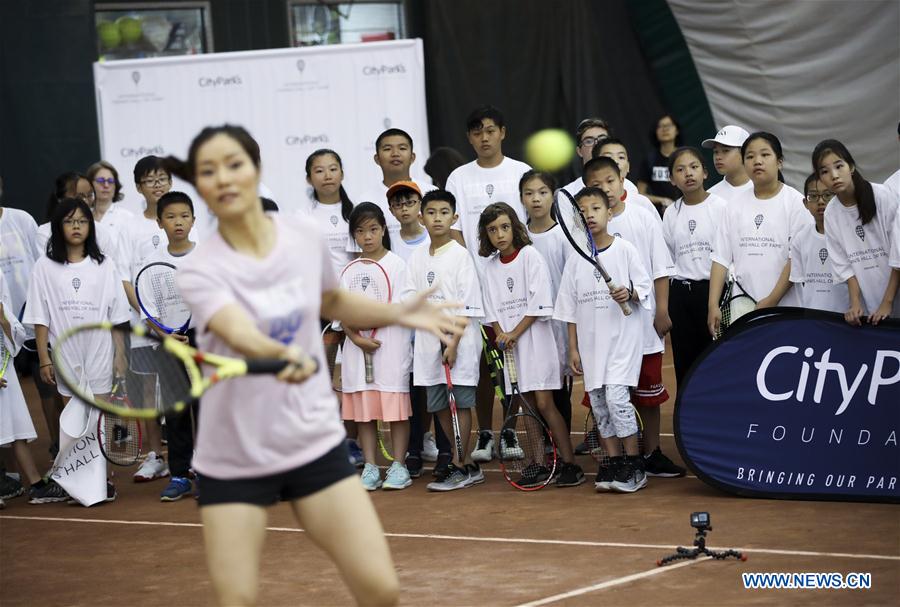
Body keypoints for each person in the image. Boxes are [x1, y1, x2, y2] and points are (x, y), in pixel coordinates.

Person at [167, 124, 462, 606]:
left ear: (255, 171)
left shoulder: (301, 237)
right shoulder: (201, 268)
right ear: (200, 185)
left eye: (234, 164)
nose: (223, 178)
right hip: (236, 454)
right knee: (236, 598)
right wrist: (278, 353)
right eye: (208, 171)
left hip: (310, 441)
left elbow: (329, 299)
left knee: (380, 587)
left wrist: (398, 312)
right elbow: (236, 327)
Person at [23, 197, 131, 504]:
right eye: (69, 222)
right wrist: (44, 358)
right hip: (64, 354)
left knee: (98, 419)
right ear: (58, 227)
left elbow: (118, 316)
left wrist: (120, 356)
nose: (76, 227)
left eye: (82, 222)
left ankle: (101, 481)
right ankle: (78, 480)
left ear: (90, 227)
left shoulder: (104, 265)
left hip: (99, 352)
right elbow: (39, 316)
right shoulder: (44, 267)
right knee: (74, 419)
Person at [587, 156, 684, 478]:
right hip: (604, 333)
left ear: (622, 180)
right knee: (610, 397)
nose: (606, 189)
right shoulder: (584, 229)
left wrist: (662, 311)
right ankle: (618, 459)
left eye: (610, 181)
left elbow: (660, 268)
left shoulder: (643, 216)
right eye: (597, 184)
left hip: (643, 326)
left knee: (648, 394)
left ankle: (652, 452)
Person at [445, 105, 530, 463]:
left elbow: (527, 227)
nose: (484, 137)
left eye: (490, 130)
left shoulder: (521, 172)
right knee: (479, 367)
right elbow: (454, 232)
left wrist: (507, 269)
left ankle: (510, 430)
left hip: (512, 285)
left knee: (511, 363)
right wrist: (475, 271)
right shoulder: (458, 178)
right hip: (472, 289)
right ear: (469, 138)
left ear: (503, 132)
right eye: (477, 131)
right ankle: (484, 433)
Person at [478, 202, 584, 487]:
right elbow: (491, 310)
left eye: (504, 227)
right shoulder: (489, 268)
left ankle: (571, 464)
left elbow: (539, 304)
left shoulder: (530, 256)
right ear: (485, 235)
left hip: (536, 342)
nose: (499, 234)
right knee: (527, 408)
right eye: (492, 230)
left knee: (544, 403)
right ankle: (538, 463)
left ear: (514, 227)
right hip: (511, 348)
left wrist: (513, 333)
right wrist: (502, 334)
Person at [554, 188, 652, 493]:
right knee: (599, 405)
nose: (590, 215)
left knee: (617, 400)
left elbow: (644, 287)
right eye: (582, 211)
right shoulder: (575, 259)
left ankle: (634, 465)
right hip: (591, 345)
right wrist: (573, 348)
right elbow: (569, 308)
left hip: (623, 341)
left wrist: (629, 292)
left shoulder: (626, 251)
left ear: (610, 213)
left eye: (596, 208)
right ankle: (612, 463)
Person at [402, 190, 485, 492]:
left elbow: (468, 305)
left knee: (460, 404)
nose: (438, 218)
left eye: (444, 212)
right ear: (421, 218)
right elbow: (409, 297)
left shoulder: (461, 256)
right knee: (437, 405)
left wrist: (452, 343)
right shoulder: (416, 257)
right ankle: (463, 462)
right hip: (427, 343)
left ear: (455, 217)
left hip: (457, 342)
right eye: (432, 212)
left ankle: (461, 466)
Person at [708, 132, 814, 337]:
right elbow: (720, 259)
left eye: (765, 155)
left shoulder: (796, 203)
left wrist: (772, 300)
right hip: (742, 311)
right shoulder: (733, 207)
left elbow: (796, 259)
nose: (757, 161)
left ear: (779, 162)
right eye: (750, 156)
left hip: (786, 309)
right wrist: (713, 305)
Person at [341, 202, 413, 491]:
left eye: (373, 229)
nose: (367, 236)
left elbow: (401, 309)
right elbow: (341, 313)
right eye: (360, 231)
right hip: (357, 351)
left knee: (395, 411)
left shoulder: (397, 265)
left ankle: (399, 466)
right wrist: (356, 337)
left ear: (383, 229)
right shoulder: (349, 269)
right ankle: (371, 467)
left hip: (390, 350)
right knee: (364, 414)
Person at [118, 156, 177, 482]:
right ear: (139, 187)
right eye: (150, 180)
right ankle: (156, 455)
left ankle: (189, 453)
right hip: (145, 325)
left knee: (179, 388)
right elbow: (125, 277)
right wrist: (148, 315)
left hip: (179, 327)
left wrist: (176, 320)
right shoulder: (129, 226)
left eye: (162, 179)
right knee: (146, 390)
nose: (157, 185)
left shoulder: (180, 217)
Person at [385, 181, 449, 478]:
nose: (404, 208)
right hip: (402, 332)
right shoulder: (389, 243)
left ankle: (444, 449)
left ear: (420, 209)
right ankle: (413, 449)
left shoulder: (433, 242)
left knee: (436, 388)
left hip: (433, 330)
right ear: (391, 210)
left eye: (410, 202)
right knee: (409, 393)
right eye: (398, 204)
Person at [302, 149, 362, 465]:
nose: (327, 175)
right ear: (309, 178)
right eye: (319, 170)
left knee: (351, 380)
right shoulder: (303, 217)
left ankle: (352, 442)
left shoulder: (356, 213)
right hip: (320, 311)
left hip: (352, 309)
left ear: (341, 173)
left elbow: (363, 261)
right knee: (322, 380)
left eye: (333, 168)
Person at [142, 191, 199, 502]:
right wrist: (166, 335)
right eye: (171, 217)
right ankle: (179, 474)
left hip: (202, 341)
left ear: (193, 220)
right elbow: (148, 310)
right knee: (177, 412)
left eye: (184, 216)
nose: (179, 222)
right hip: (169, 343)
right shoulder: (151, 263)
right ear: (160, 222)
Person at [662, 147, 728, 388]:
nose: (688, 173)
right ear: (672, 179)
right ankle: (688, 419)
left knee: (716, 360)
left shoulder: (721, 207)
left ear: (705, 173)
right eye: (680, 170)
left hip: (713, 293)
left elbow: (727, 254)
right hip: (681, 296)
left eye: (693, 167)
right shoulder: (670, 213)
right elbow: (668, 258)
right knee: (685, 364)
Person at [813, 139, 899, 324]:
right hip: (870, 308)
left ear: (851, 166)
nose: (834, 175)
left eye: (839, 166)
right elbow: (845, 266)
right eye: (825, 171)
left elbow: (898, 254)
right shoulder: (831, 213)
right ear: (820, 179)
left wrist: (887, 302)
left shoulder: (882, 196)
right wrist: (855, 303)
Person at [521, 171, 572, 433]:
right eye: (529, 193)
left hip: (558, 327)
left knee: (558, 392)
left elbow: (570, 283)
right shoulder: (518, 240)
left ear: (553, 197)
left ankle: (565, 460)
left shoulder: (563, 236)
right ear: (521, 199)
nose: (536, 199)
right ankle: (543, 454)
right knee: (532, 393)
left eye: (542, 192)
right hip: (528, 329)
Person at [0, 273, 49, 504]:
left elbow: (17, 340)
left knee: (17, 431)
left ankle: (36, 484)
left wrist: (4, 321)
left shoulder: (2, 307)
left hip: (6, 378)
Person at [354, 128, 433, 242]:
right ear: (377, 159)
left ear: (412, 157)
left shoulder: (431, 192)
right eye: (387, 149)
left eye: (402, 148)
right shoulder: (364, 201)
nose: (395, 154)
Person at [788, 174, 850, 314]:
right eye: (814, 196)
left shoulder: (848, 235)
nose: (821, 201)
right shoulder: (800, 239)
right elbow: (801, 281)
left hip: (845, 317)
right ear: (805, 203)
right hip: (812, 317)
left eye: (828, 195)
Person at [592, 140, 661, 221]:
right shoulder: (585, 204)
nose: (615, 162)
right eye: (608, 157)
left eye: (621, 157)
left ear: (628, 166)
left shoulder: (642, 203)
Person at [637, 114, 683, 211]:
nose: (665, 129)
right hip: (658, 215)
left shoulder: (685, 157)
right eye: (660, 126)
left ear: (677, 130)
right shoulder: (650, 160)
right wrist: (662, 200)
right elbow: (640, 194)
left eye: (669, 125)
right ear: (655, 132)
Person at [701, 126, 752, 202]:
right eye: (715, 152)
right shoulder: (709, 198)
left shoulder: (765, 189)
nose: (718, 157)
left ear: (745, 153)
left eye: (725, 151)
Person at [86, 160, 135, 236]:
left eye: (110, 181)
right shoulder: (83, 217)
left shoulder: (127, 218)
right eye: (101, 180)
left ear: (116, 186)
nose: (106, 185)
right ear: (90, 184)